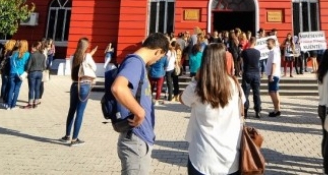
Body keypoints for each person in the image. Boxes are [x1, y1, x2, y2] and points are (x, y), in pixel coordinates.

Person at [111, 32, 170, 175]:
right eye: (160, 57)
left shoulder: (137, 63)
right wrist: (140, 112)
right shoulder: (135, 62)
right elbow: (118, 87)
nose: (158, 61)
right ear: (158, 51)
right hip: (135, 140)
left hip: (139, 139)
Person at [180, 43, 244, 175]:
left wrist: (196, 77)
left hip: (202, 157)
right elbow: (243, 107)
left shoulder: (197, 85)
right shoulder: (234, 83)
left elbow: (183, 99)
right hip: (230, 157)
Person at [61, 38, 97, 145]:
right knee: (80, 112)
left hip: (74, 84)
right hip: (84, 85)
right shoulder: (88, 57)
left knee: (71, 110)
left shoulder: (73, 57)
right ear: (86, 46)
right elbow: (94, 68)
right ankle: (75, 139)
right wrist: (90, 56)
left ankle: (67, 135)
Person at [241, 35, 262, 118]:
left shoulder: (245, 52)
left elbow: (242, 61)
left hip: (247, 73)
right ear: (255, 43)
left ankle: (245, 110)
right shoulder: (258, 52)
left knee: (245, 93)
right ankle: (258, 111)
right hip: (256, 73)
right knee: (256, 93)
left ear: (249, 42)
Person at [6, 40, 30, 110]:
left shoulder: (14, 53)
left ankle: (8, 105)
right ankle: (13, 106)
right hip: (21, 73)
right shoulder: (27, 54)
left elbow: (11, 63)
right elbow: (27, 65)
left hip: (12, 72)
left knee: (11, 89)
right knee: (17, 89)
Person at [24, 41, 47, 109]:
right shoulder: (43, 55)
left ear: (36, 47)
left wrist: (26, 70)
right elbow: (44, 66)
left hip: (33, 72)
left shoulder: (32, 55)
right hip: (40, 73)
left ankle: (30, 103)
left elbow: (28, 65)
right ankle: (36, 102)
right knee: (37, 88)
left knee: (31, 88)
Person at [266, 36, 282, 117]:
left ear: (273, 43)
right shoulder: (273, 51)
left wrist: (271, 75)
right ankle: (277, 109)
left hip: (274, 75)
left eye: (268, 44)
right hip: (274, 75)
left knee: (272, 92)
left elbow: (274, 64)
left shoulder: (274, 52)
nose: (267, 45)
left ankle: (277, 110)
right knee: (275, 92)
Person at [0, 39, 18, 107]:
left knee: (4, 84)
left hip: (4, 70)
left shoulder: (6, 51)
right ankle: (5, 98)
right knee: (8, 86)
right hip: (9, 70)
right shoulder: (12, 52)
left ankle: (2, 97)